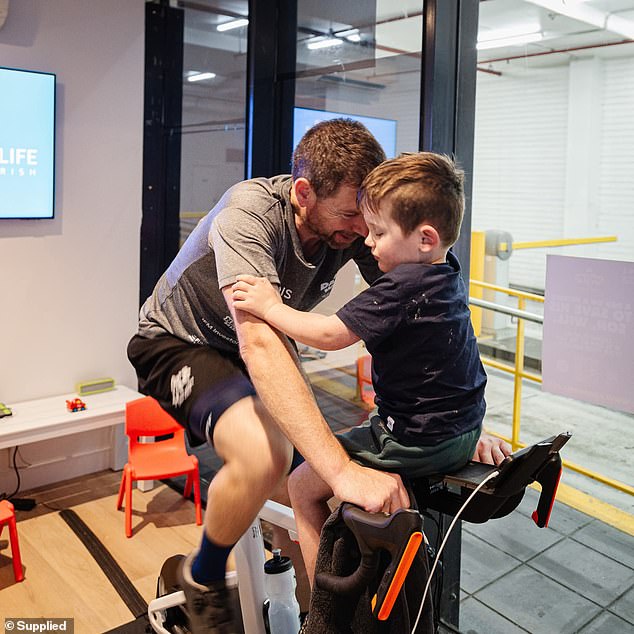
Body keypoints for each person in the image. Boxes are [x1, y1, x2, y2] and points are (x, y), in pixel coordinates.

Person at [128, 120, 510, 633]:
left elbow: (423, 316)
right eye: (353, 215)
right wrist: (342, 470)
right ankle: (202, 575)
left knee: (314, 489)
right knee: (268, 455)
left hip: (259, 347)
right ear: (304, 193)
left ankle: (316, 612)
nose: (361, 232)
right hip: (181, 343)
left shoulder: (351, 227)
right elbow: (258, 341)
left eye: (370, 222)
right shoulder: (250, 215)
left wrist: (454, 419)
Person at [231, 151, 490, 586]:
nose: (366, 242)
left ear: (425, 239)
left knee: (300, 485)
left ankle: (321, 611)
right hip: (464, 431)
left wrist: (270, 306)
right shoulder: (448, 275)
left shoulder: (402, 286)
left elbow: (331, 334)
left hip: (415, 439)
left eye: (378, 232)